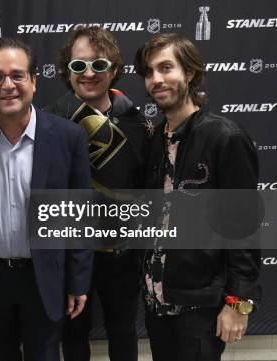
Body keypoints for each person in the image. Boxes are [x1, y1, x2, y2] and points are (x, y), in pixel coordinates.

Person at [0, 37, 93, 361]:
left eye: (17, 75)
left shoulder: (68, 137)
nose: (8, 85)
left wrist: (78, 281)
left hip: (44, 277)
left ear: (34, 81)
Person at [134, 33, 261, 361]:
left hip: (201, 310)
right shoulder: (155, 140)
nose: (156, 79)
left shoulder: (225, 138)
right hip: (157, 303)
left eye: (166, 68)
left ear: (189, 73)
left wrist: (238, 304)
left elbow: (245, 229)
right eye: (149, 72)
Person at [45, 26, 149, 361]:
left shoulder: (138, 125)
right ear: (67, 71)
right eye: (78, 66)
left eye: (99, 65)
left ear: (114, 70)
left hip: (122, 256)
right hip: (69, 254)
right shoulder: (47, 123)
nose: (88, 74)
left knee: (123, 332)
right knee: (72, 334)